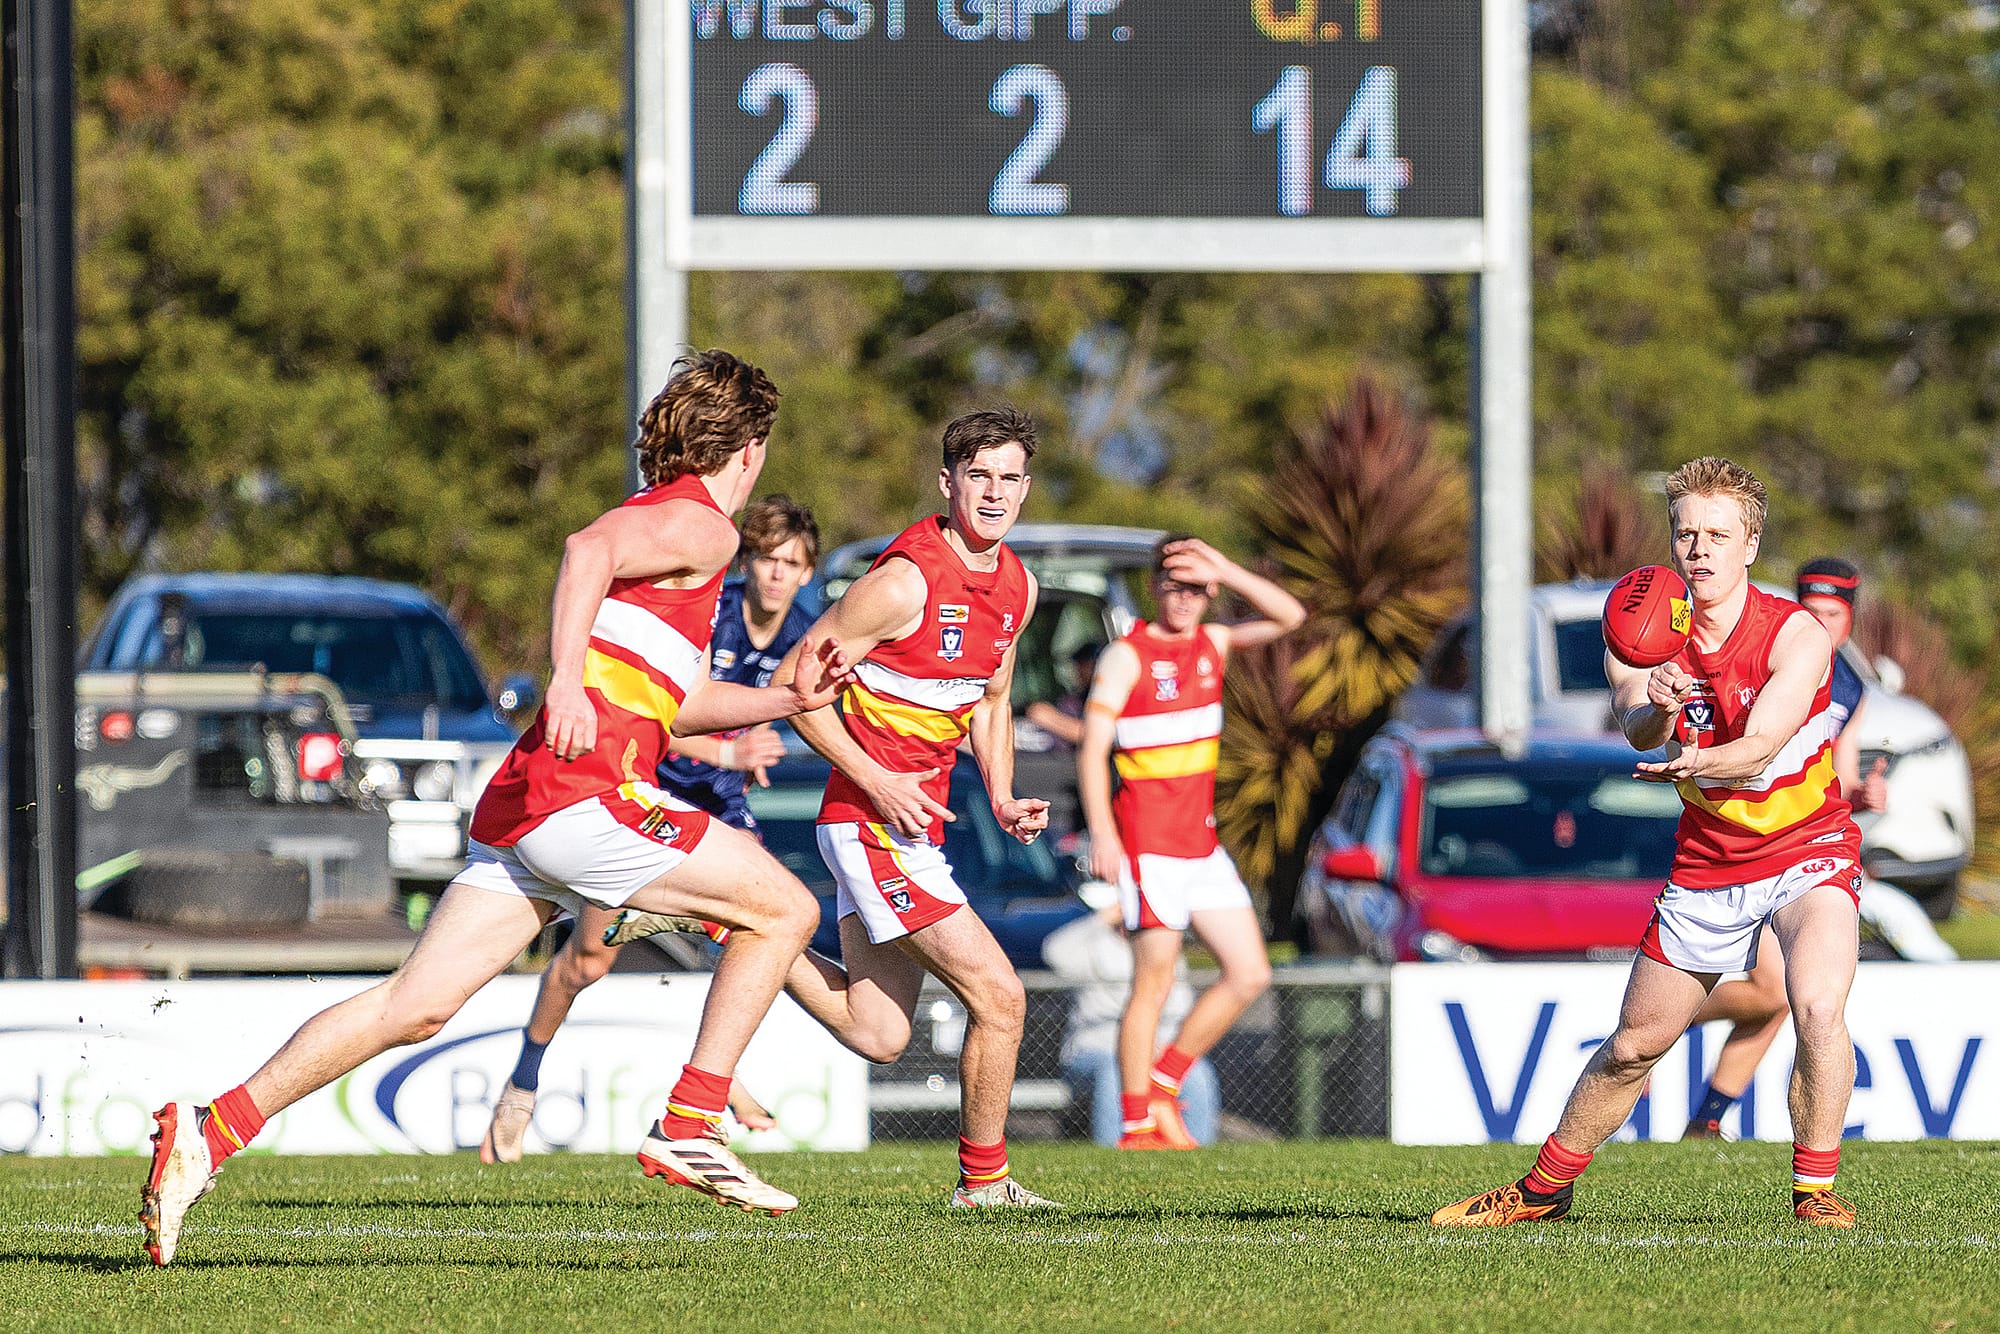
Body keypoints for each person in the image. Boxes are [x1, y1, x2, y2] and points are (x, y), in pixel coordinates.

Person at [139, 351, 858, 1266]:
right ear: (748, 448)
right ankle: (692, 1120)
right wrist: (561, 680)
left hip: (536, 801)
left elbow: (675, 703)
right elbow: (581, 553)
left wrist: (788, 700)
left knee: (416, 1004)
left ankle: (210, 1129)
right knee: (786, 908)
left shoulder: (669, 526)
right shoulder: (703, 528)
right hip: (586, 794)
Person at [1433, 456, 1866, 1230]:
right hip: (1709, 862)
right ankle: (1541, 1191)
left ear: (1750, 546)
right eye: (1686, 533)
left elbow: (1764, 742)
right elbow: (1632, 718)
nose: (1699, 550)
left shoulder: (1793, 632)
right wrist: (1658, 710)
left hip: (1808, 846)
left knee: (1817, 1004)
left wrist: (1696, 759)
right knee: (1635, 1045)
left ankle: (1814, 1194)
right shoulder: (1640, 623)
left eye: (1717, 535)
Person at [768, 407, 1058, 1208]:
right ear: (948, 482)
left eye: (1009, 478)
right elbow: (799, 688)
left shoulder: (1018, 587)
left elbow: (992, 701)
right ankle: (985, 1184)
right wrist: (876, 778)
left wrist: (999, 792)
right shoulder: (901, 582)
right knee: (1000, 997)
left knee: (880, 1033)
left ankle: (746, 927)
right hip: (868, 824)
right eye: (979, 476)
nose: (994, 493)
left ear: (1025, 489)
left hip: (917, 827)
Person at [480, 495, 820, 1163]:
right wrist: (731, 750)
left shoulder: (800, 633)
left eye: (792, 564)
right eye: (768, 560)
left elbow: (812, 701)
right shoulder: (710, 608)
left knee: (764, 917)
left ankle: (716, 1080)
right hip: (642, 786)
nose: (777, 575)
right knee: (586, 961)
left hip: (716, 802)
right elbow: (665, 713)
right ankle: (521, 1086)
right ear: (747, 562)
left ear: (807, 574)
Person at [1682, 556, 1952, 1139]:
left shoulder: (1850, 689)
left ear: (1849, 622)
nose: (1820, 624)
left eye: (1832, 615)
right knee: (1773, 994)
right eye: (1811, 611)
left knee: (1785, 997)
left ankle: (1705, 1120)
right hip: (1736, 841)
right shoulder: (1771, 660)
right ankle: (1663, 1030)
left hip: (1803, 851)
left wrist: (1861, 793)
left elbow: (1836, 776)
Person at [1076, 536, 1304, 1150]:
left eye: (1199, 588)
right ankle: (1134, 1125)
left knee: (1249, 973)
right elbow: (1093, 748)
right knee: (1152, 981)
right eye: (1175, 585)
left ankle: (1164, 1082)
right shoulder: (1128, 656)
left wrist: (1226, 565)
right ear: (1155, 588)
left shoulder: (1214, 642)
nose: (1186, 599)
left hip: (1201, 845)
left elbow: (1291, 617)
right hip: (1149, 846)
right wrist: (1104, 832)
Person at [1043, 880, 1222, 1147]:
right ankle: (1120, 1148)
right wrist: (1103, 917)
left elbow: (1180, 1006)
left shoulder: (1164, 952)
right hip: (1097, 1050)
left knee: (1197, 1073)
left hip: (1160, 1047)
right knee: (1114, 1073)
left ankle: (1195, 1150)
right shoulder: (1094, 943)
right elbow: (1054, 953)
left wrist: (1160, 1047)